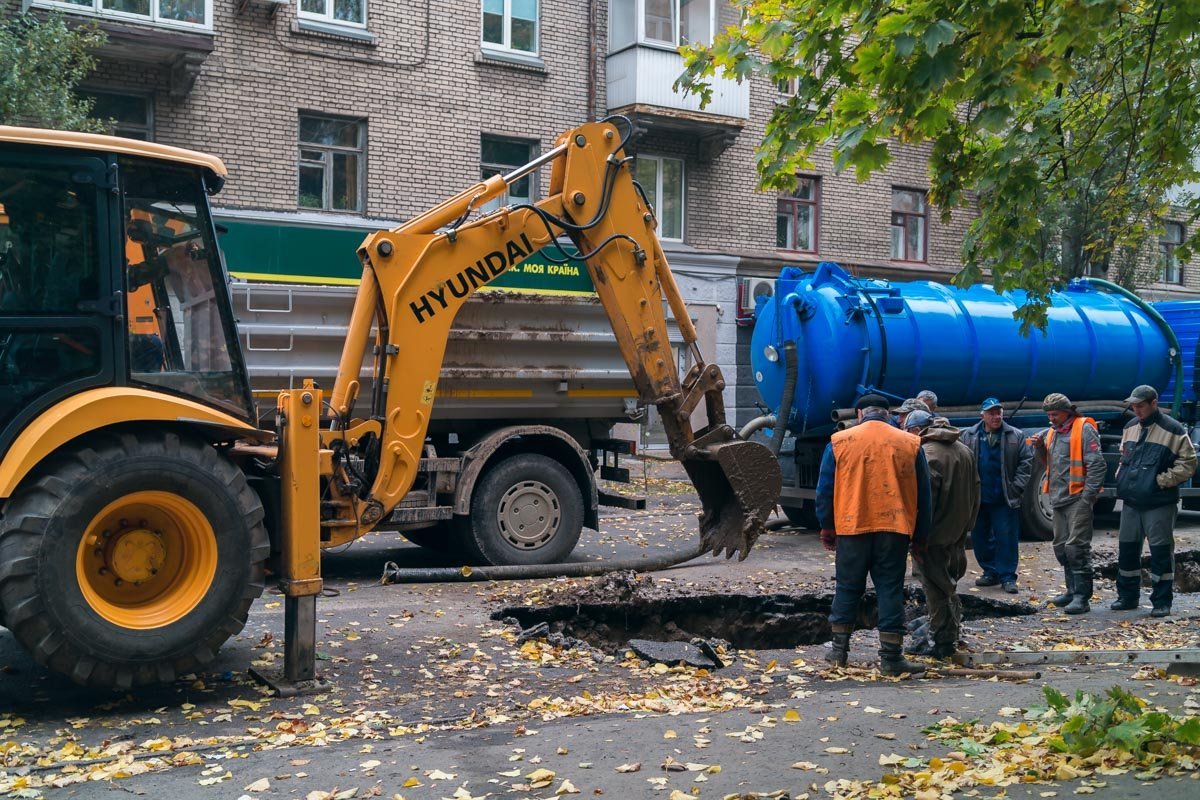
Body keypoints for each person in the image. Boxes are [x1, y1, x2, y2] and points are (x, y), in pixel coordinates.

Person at [815, 394, 933, 676]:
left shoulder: (839, 442)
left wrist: (827, 525)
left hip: (852, 527)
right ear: (888, 413)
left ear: (859, 414)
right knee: (890, 589)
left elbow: (825, 490)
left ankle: (838, 653)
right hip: (894, 529)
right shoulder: (909, 443)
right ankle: (891, 658)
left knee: (847, 588)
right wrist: (921, 534)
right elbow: (924, 496)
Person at [1113, 385, 1196, 617]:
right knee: (1127, 550)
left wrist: (1160, 481)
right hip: (1131, 501)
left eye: (1140, 405)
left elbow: (1188, 464)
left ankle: (1162, 602)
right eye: (1134, 405)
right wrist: (1120, 477)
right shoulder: (1130, 427)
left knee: (1160, 553)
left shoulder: (1173, 429)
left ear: (1154, 403)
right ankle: (1127, 597)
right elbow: (1123, 457)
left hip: (1159, 503)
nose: (1136, 410)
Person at [902, 410, 980, 658]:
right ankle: (951, 632)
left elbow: (925, 501)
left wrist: (917, 536)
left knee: (936, 587)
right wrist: (968, 525)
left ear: (917, 430)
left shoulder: (926, 454)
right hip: (958, 532)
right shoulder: (964, 450)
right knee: (950, 583)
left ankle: (941, 641)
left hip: (933, 534)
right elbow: (976, 492)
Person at [1029, 393, 1106, 615]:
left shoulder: (1084, 428)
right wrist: (1040, 448)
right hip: (1059, 498)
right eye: (1049, 415)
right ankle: (1071, 591)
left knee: (1076, 548)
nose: (1051, 418)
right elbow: (1049, 464)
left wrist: (1088, 497)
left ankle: (1082, 597)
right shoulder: (1053, 432)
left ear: (1067, 412)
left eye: (1054, 414)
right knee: (1061, 547)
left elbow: (1097, 465)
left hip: (1077, 499)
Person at [960, 397, 1033, 594]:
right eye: (991, 413)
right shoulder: (969, 435)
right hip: (979, 498)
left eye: (998, 412)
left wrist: (1017, 487)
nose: (996, 416)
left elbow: (1026, 463)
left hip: (1004, 497)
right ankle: (990, 572)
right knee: (980, 537)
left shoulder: (1014, 436)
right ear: (982, 415)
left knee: (1006, 537)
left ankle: (1007, 577)